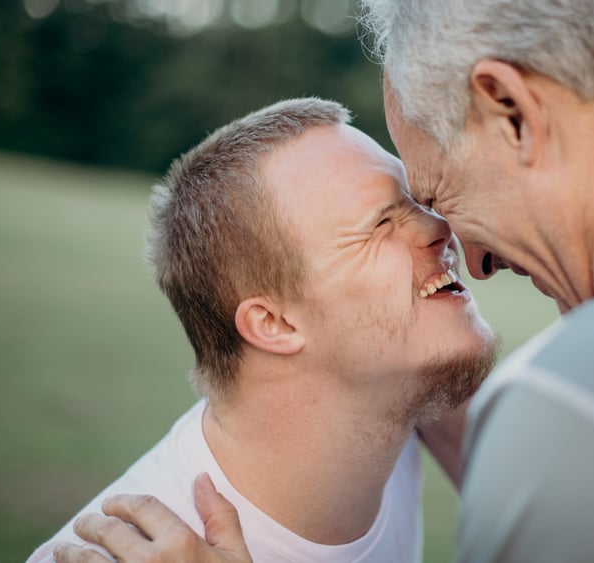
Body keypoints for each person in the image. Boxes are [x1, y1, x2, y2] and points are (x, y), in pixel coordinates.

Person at [59, 1, 594, 561]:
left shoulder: (587, 412)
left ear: (511, 108)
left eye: (435, 192)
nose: (468, 255)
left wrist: (548, 431)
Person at [34, 97, 498, 563]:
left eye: (417, 201)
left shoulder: (404, 394)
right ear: (273, 324)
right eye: (381, 223)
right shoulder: (118, 554)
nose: (440, 225)